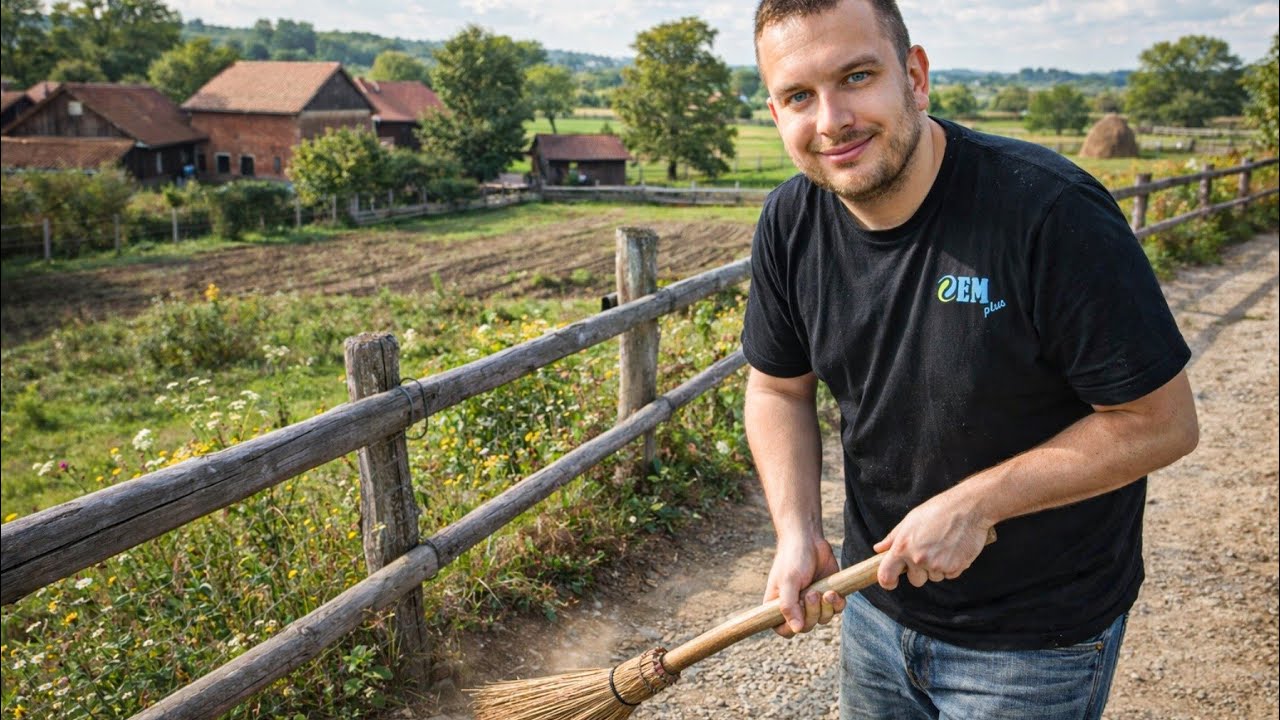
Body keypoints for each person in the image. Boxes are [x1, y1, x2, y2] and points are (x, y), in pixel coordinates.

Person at [741, 1, 1200, 718]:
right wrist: (797, 531)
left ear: (915, 77)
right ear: (775, 112)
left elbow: (1163, 422)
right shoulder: (790, 222)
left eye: (857, 76)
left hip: (1035, 641)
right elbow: (777, 389)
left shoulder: (1049, 213)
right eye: (800, 95)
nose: (831, 120)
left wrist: (977, 503)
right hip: (875, 606)